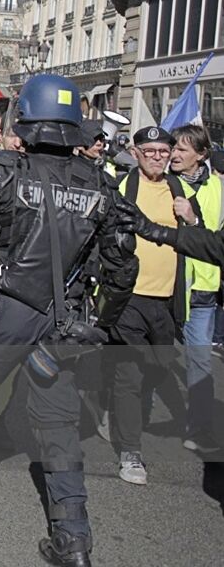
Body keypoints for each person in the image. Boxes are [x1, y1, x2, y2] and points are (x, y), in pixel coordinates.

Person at [0, 74, 137, 567]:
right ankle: (73, 537)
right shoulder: (102, 183)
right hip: (64, 320)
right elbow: (124, 269)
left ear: (27, 121)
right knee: (57, 422)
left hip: (3, 310)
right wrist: (96, 325)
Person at [104, 126, 197, 485]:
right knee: (130, 375)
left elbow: (200, 238)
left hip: (167, 299)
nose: (158, 157)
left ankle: (108, 399)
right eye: (150, 151)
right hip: (128, 299)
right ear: (135, 152)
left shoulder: (181, 191)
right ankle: (130, 452)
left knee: (157, 368)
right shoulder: (122, 187)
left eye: (163, 151)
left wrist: (190, 218)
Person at [168, 124, 221, 452]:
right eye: (173, 147)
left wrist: (192, 221)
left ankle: (199, 428)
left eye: (183, 150)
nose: (174, 153)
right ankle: (121, 417)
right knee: (148, 358)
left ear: (201, 155)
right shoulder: (163, 182)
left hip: (201, 290)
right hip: (164, 287)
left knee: (200, 362)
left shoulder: (218, 188)